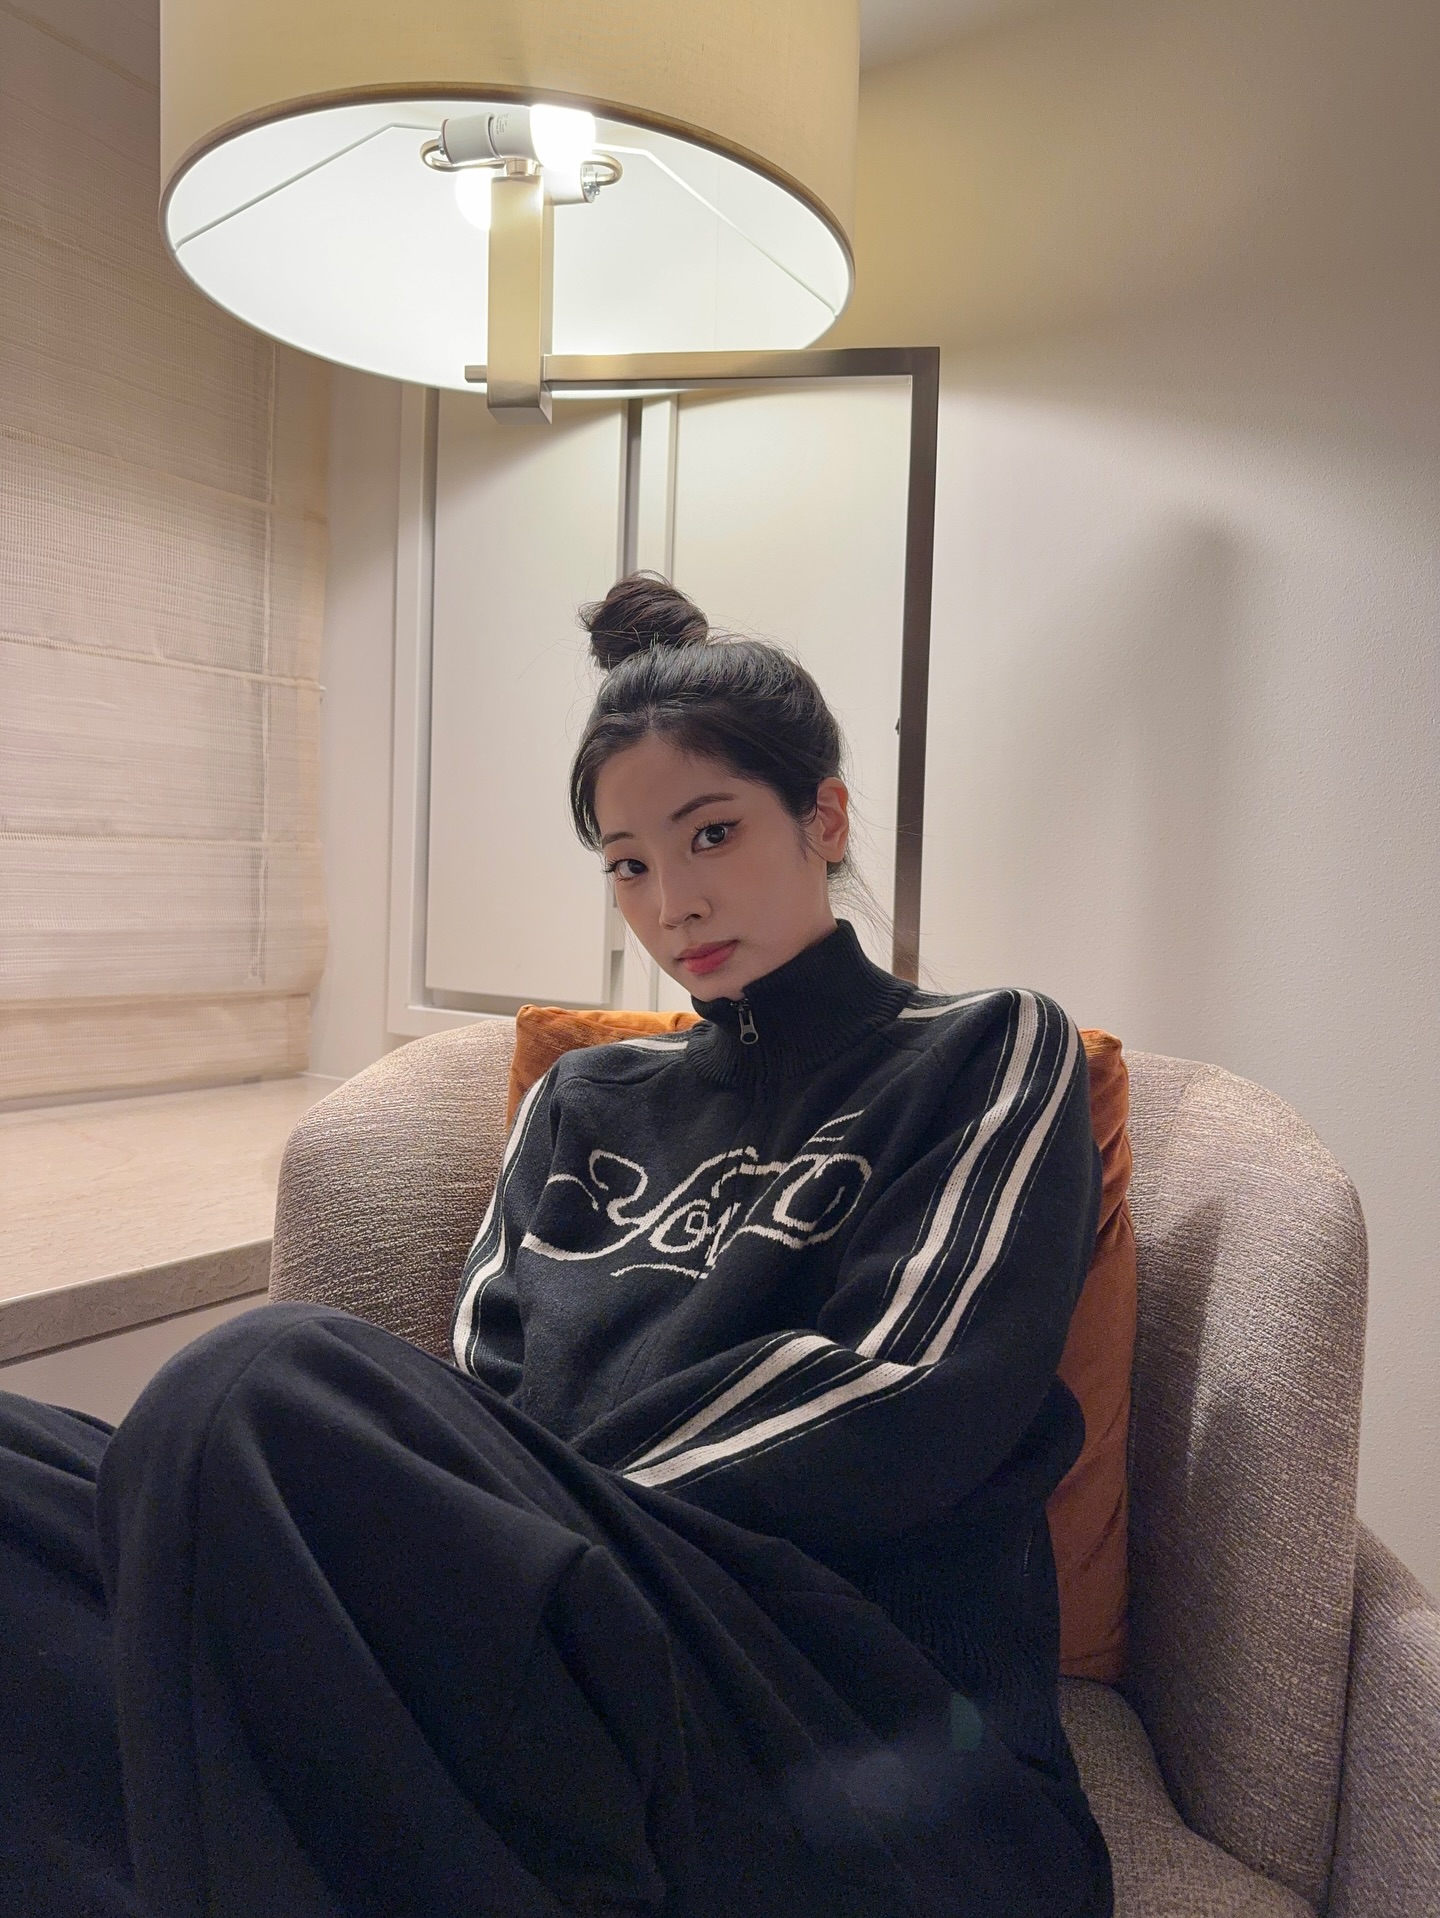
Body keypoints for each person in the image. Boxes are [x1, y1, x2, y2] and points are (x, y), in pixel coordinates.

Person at [0, 574, 1113, 1918]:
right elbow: (488, 1407)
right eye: (630, 865)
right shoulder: (587, 1099)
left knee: (254, 1386)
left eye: (712, 834)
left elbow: (913, 1399)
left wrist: (465, 1520)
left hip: (859, 1729)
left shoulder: (985, 1048)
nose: (672, 902)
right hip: (550, 1643)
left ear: (823, 818)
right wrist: (458, 1526)